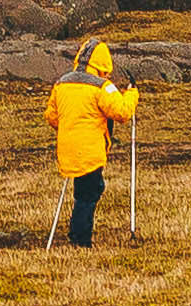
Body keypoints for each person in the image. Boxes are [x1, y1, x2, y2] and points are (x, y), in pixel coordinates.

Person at [48, 39, 142, 245]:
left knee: (86, 189)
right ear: (102, 65)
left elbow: (52, 116)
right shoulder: (102, 87)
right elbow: (122, 112)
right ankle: (80, 239)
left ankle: (78, 233)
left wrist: (70, 126)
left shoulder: (62, 83)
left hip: (67, 147)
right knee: (89, 192)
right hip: (90, 149)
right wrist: (132, 94)